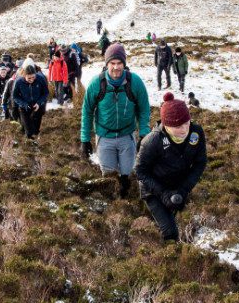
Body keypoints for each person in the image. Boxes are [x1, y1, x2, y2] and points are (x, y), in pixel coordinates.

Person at [79, 43, 151, 198]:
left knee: (128, 176)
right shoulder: (96, 84)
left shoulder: (135, 82)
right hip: (105, 137)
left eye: (119, 63)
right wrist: (85, 139)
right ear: (107, 64)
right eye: (112, 63)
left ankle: (126, 203)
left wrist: (144, 132)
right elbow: (87, 111)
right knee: (109, 178)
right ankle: (113, 206)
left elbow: (144, 108)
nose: (116, 67)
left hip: (127, 136)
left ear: (124, 64)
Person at [134, 92, 207, 241]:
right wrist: (162, 193)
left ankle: (159, 225)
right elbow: (140, 170)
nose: (184, 129)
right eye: (178, 126)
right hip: (153, 189)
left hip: (178, 186)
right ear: (167, 125)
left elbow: (200, 163)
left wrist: (183, 189)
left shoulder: (196, 133)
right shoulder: (152, 141)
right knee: (170, 233)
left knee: (171, 215)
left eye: (187, 123)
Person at [12, 62, 49, 138]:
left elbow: (45, 93)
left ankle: (37, 141)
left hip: (38, 105)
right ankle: (28, 141)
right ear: (24, 76)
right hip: (24, 106)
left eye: (33, 77)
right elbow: (15, 96)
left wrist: (39, 103)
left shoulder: (40, 79)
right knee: (28, 130)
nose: (31, 79)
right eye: (29, 78)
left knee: (36, 129)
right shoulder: (18, 82)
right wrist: (24, 104)